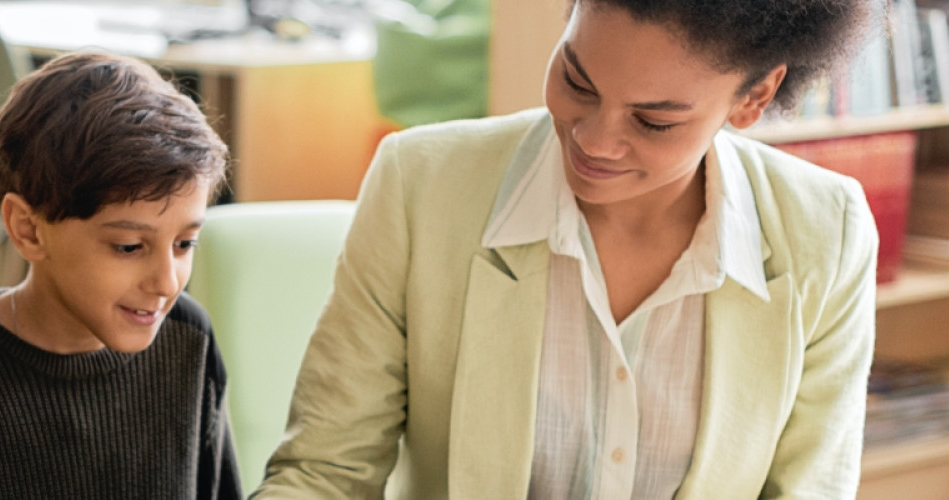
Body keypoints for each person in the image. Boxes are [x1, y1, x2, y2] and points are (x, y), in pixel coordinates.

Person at [255, 0, 875, 498]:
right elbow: (326, 474)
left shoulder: (827, 232)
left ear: (755, 97)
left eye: (653, 122)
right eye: (577, 81)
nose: (595, 141)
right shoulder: (423, 185)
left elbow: (809, 487)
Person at [0, 52, 240, 500]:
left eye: (185, 244)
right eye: (129, 247)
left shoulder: (187, 339)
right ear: (28, 229)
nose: (166, 282)